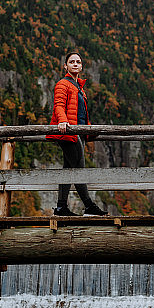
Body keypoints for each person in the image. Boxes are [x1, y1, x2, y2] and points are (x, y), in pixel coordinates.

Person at [45, 51, 108, 216]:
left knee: (68, 168)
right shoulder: (63, 84)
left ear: (81, 66)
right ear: (65, 66)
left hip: (79, 133)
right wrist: (62, 121)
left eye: (78, 62)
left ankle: (61, 207)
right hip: (68, 132)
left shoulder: (79, 87)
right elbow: (58, 105)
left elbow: (81, 113)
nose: (75, 64)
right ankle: (89, 206)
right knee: (79, 168)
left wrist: (89, 130)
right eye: (71, 61)